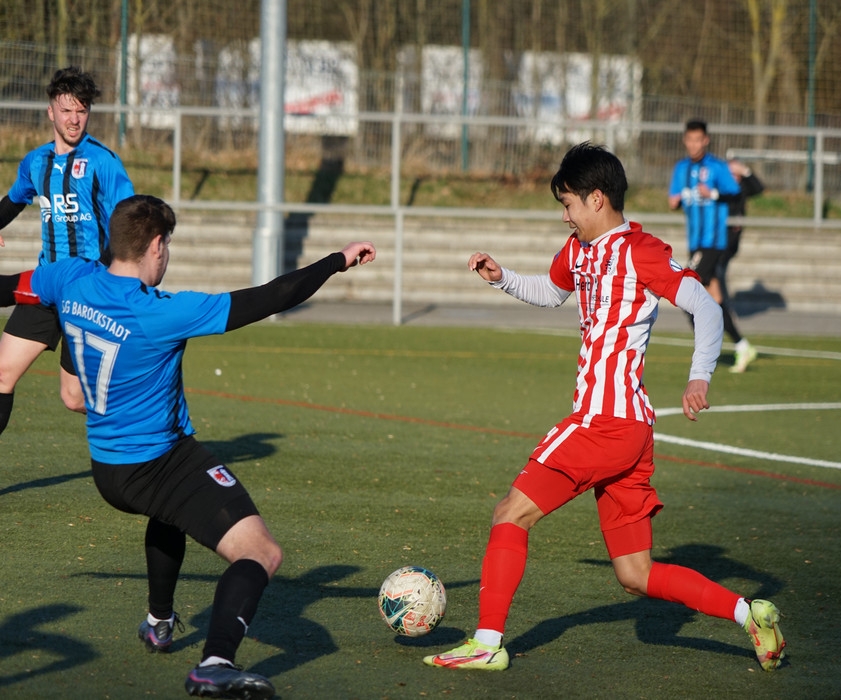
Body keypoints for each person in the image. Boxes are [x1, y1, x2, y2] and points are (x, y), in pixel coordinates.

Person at [423, 143, 786, 673]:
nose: (564, 216)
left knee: (510, 513)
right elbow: (552, 292)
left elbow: (706, 307)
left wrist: (699, 376)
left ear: (597, 199)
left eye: (568, 204)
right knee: (636, 575)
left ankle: (486, 643)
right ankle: (748, 614)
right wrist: (503, 277)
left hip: (603, 421)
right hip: (632, 430)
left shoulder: (641, 251)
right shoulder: (578, 249)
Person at [29, 194, 376, 699]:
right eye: (167, 245)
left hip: (107, 468)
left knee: (169, 512)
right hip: (159, 462)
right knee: (261, 552)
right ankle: (215, 663)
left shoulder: (70, 278)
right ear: (155, 246)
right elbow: (272, 296)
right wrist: (336, 260)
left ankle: (159, 622)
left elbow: (11, 289)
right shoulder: (162, 312)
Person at [0, 66, 134, 436]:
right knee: (2, 373)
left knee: (74, 398)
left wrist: (104, 277)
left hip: (87, 294)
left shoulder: (103, 162)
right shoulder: (36, 162)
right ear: (51, 112)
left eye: (82, 110)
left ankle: (142, 420)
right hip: (45, 287)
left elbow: (129, 223)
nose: (74, 119)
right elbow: (14, 201)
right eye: (66, 110)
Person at [668, 120, 757, 373]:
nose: (694, 144)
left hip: (713, 243)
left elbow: (736, 193)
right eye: (690, 140)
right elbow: (673, 199)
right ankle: (742, 346)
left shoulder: (717, 167)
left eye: (698, 140)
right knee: (714, 301)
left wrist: (713, 194)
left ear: (706, 140)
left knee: (685, 292)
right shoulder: (681, 168)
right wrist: (675, 200)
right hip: (695, 243)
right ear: (685, 141)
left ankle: (706, 351)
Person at [716, 158, 765, 340]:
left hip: (730, 244)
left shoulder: (742, 187)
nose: (734, 177)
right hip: (716, 242)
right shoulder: (721, 187)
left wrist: (746, 171)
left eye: (737, 173)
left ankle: (724, 311)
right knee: (717, 275)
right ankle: (724, 311)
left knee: (719, 274)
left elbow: (758, 188)